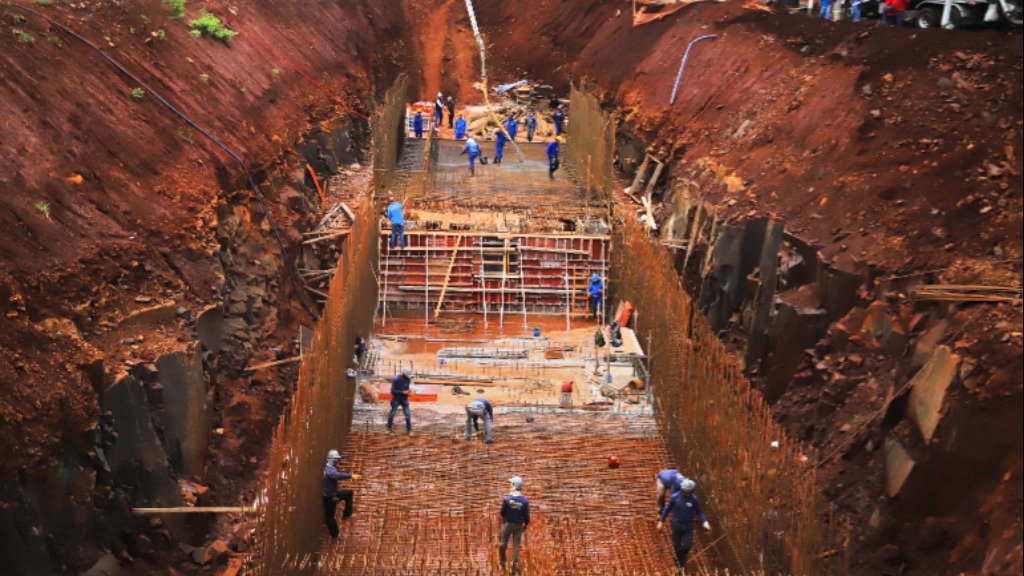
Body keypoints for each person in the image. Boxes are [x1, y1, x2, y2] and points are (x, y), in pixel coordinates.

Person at [657, 478, 711, 570]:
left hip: (688, 525)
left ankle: (681, 557)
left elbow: (699, 512)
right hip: (676, 525)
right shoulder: (675, 497)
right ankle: (679, 564)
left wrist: (704, 522)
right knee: (676, 546)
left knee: (687, 546)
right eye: (685, 491)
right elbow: (667, 509)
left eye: (688, 492)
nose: (686, 493)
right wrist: (661, 521)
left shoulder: (693, 499)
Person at [322, 449, 361, 539]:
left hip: (334, 494)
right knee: (329, 517)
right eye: (336, 460)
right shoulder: (329, 472)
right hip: (329, 497)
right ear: (332, 460)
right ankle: (334, 534)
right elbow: (337, 475)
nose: (337, 461)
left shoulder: (331, 468)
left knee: (348, 493)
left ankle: (347, 514)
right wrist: (351, 476)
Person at [499, 476, 530, 574]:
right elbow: (526, 516)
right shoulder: (525, 501)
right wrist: (526, 524)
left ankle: (502, 562)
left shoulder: (506, 499)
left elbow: (502, 512)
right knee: (516, 545)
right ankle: (514, 565)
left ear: (513, 485)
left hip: (507, 524)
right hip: (518, 525)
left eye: (511, 483)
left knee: (503, 543)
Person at [387, 367, 413, 434]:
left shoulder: (408, 379)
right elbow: (392, 391)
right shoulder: (396, 379)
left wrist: (409, 392)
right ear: (403, 373)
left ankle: (409, 430)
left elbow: (407, 388)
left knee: (407, 415)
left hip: (404, 399)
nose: (408, 377)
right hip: (396, 399)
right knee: (392, 414)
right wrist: (402, 392)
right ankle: (388, 428)